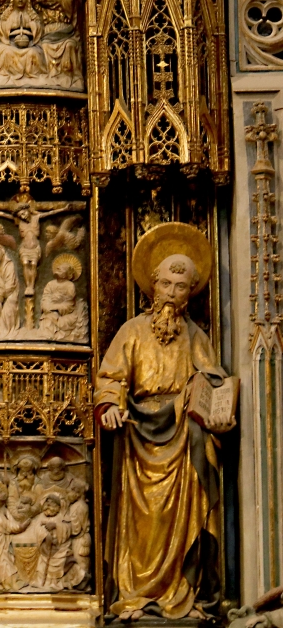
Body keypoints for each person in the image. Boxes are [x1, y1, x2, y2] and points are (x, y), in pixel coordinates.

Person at [97, 223, 231, 622]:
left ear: (191, 293)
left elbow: (214, 379)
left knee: (186, 511)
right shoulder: (132, 331)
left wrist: (217, 406)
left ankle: (183, 592)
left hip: (183, 441)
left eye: (182, 286)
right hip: (140, 436)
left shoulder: (195, 336)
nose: (172, 293)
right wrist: (110, 406)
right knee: (145, 524)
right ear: (153, 284)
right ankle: (135, 593)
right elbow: (111, 378)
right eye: (167, 284)